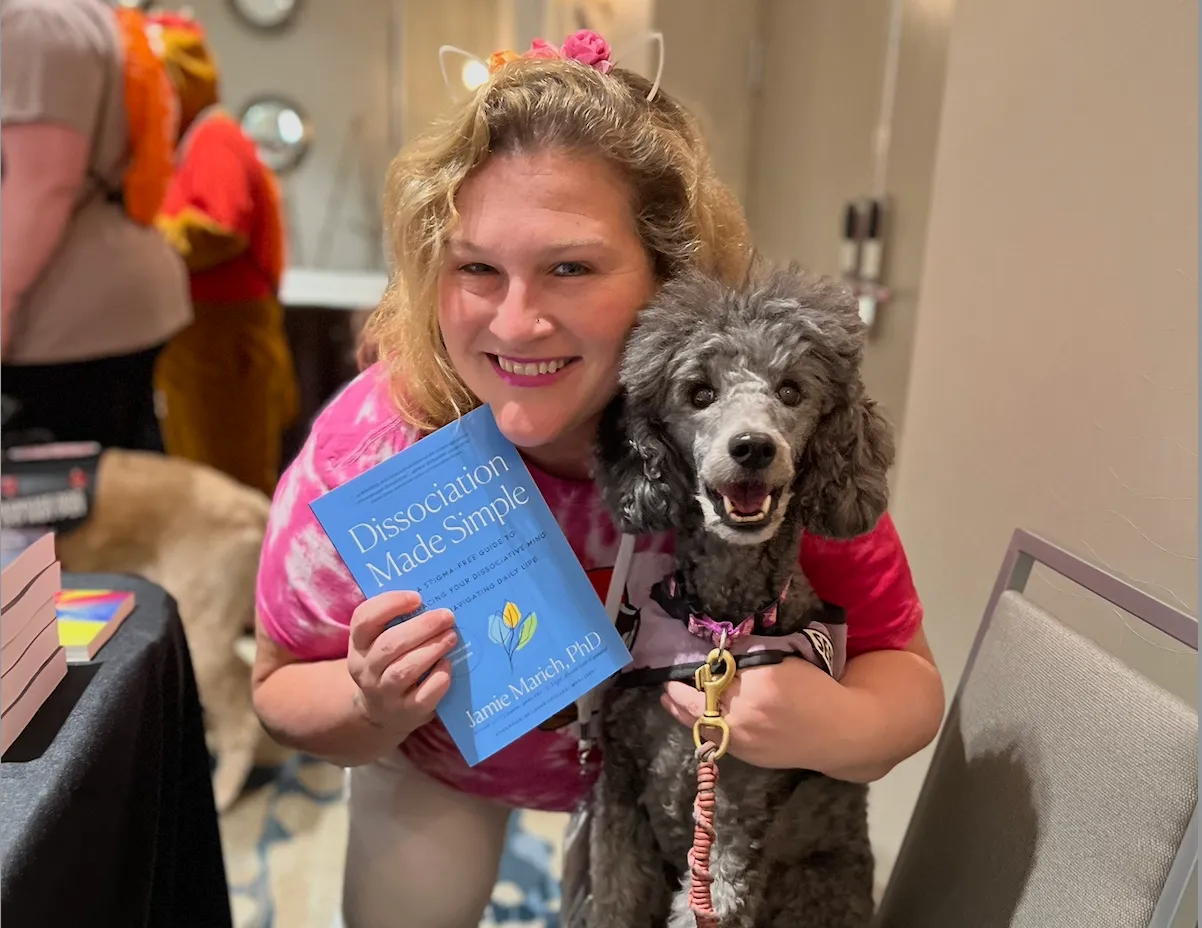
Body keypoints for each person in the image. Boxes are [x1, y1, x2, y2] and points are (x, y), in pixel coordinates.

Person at [252, 30, 944, 928]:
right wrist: (370, 701)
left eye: (570, 268)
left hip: (669, 781)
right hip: (444, 764)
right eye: (475, 269)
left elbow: (907, 670)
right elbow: (274, 687)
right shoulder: (375, 449)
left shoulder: (743, 433)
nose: (517, 320)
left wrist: (841, 731)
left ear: (671, 272)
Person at [1, 0, 191, 451]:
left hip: (62, 317)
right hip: (104, 296)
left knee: (63, 507)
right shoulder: (81, 15)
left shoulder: (35, 24)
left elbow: (43, 184)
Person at [149, 11, 300, 497]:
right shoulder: (195, 141)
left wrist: (140, 239)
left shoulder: (213, 138)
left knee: (228, 481)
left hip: (223, 339)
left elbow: (219, 228)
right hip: (204, 337)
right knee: (205, 471)